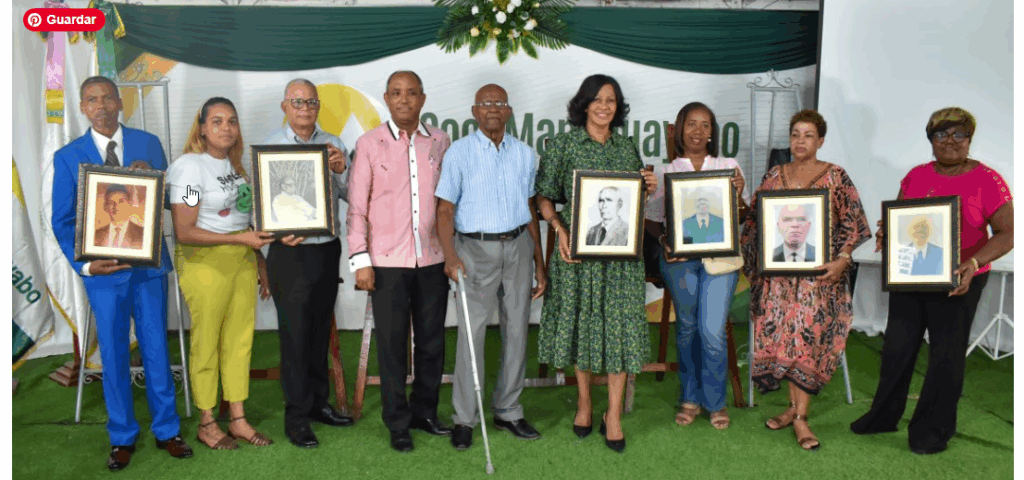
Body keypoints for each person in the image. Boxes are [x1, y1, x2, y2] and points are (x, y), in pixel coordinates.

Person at [851, 107, 1013, 455]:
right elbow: (900, 220)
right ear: (931, 140)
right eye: (941, 134)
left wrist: (974, 263)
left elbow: (1008, 233)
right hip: (912, 276)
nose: (950, 141)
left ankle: (932, 431)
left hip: (960, 279)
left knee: (945, 356)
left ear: (970, 138)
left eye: (959, 134)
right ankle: (882, 417)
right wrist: (886, 234)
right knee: (897, 348)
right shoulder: (915, 176)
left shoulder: (988, 180)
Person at [51, 76, 192, 471]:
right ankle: (122, 436)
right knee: (113, 354)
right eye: (92, 100)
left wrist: (155, 179)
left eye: (107, 98)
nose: (101, 106)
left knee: (156, 348)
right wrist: (84, 265)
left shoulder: (149, 143)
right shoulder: (67, 156)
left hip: (149, 268)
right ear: (83, 108)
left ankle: (167, 429)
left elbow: (177, 199)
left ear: (119, 102)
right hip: (103, 274)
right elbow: (62, 221)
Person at [535, 74, 657, 453]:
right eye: (597, 99)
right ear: (584, 104)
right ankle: (585, 403)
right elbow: (543, 197)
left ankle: (614, 413)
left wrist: (649, 188)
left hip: (621, 260)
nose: (604, 106)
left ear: (618, 107)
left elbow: (633, 202)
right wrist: (559, 228)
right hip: (577, 256)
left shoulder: (627, 148)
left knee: (619, 329)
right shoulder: (564, 145)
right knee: (582, 326)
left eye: (611, 100)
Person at [739, 109, 871, 451]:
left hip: (818, 279)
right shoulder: (774, 176)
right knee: (784, 338)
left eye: (808, 135)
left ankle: (800, 417)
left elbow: (854, 222)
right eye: (795, 134)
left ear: (821, 141)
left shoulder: (835, 176)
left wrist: (843, 260)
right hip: (779, 280)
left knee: (805, 339)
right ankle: (792, 408)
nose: (800, 141)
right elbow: (754, 219)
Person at [435, 84, 548, 450]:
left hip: (518, 246)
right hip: (473, 250)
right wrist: (450, 255)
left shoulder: (525, 154)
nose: (493, 109)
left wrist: (539, 262)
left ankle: (509, 411)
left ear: (509, 110)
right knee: (472, 335)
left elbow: (530, 210)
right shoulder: (459, 152)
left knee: (517, 331)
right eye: (485, 103)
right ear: (474, 111)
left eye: (499, 103)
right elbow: (445, 209)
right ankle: (465, 418)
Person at [347, 71, 452, 453]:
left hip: (432, 259)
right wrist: (360, 260)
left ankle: (425, 413)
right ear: (387, 98)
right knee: (392, 346)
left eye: (411, 93)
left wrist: (452, 253)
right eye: (396, 93)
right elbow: (356, 208)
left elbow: (447, 203)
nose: (404, 99)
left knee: (432, 342)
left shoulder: (440, 141)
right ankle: (397, 422)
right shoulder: (369, 143)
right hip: (386, 262)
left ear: (422, 99)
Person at [167, 97, 276, 450]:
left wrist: (259, 261)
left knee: (239, 341)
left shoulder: (236, 166)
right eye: (216, 121)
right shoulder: (189, 167)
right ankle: (207, 421)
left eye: (232, 121)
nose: (225, 128)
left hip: (241, 260)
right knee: (207, 341)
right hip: (204, 263)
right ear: (201, 128)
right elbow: (184, 231)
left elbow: (244, 222)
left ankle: (238, 418)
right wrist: (240, 239)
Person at [260, 78, 354, 449]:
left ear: (318, 106)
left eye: (311, 101)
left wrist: (342, 168)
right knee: (295, 336)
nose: (304, 108)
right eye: (297, 102)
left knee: (318, 332)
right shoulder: (270, 147)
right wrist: (274, 232)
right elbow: (259, 205)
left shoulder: (334, 143)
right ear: (285, 106)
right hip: (289, 252)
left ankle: (318, 404)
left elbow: (352, 194)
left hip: (326, 249)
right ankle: (296, 417)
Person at [645, 101, 748, 430]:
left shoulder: (728, 166)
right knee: (687, 328)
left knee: (712, 331)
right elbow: (651, 220)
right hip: (680, 261)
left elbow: (741, 215)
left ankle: (715, 401)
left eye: (705, 125)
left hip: (721, 261)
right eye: (692, 123)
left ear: (712, 132)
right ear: (680, 129)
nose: (698, 131)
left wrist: (739, 194)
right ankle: (690, 397)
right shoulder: (666, 172)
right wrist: (666, 242)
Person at [94, 185, 145, 249]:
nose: (116, 206)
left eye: (121, 201)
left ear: (130, 204)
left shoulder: (143, 234)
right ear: (105, 206)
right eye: (111, 202)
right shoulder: (96, 235)